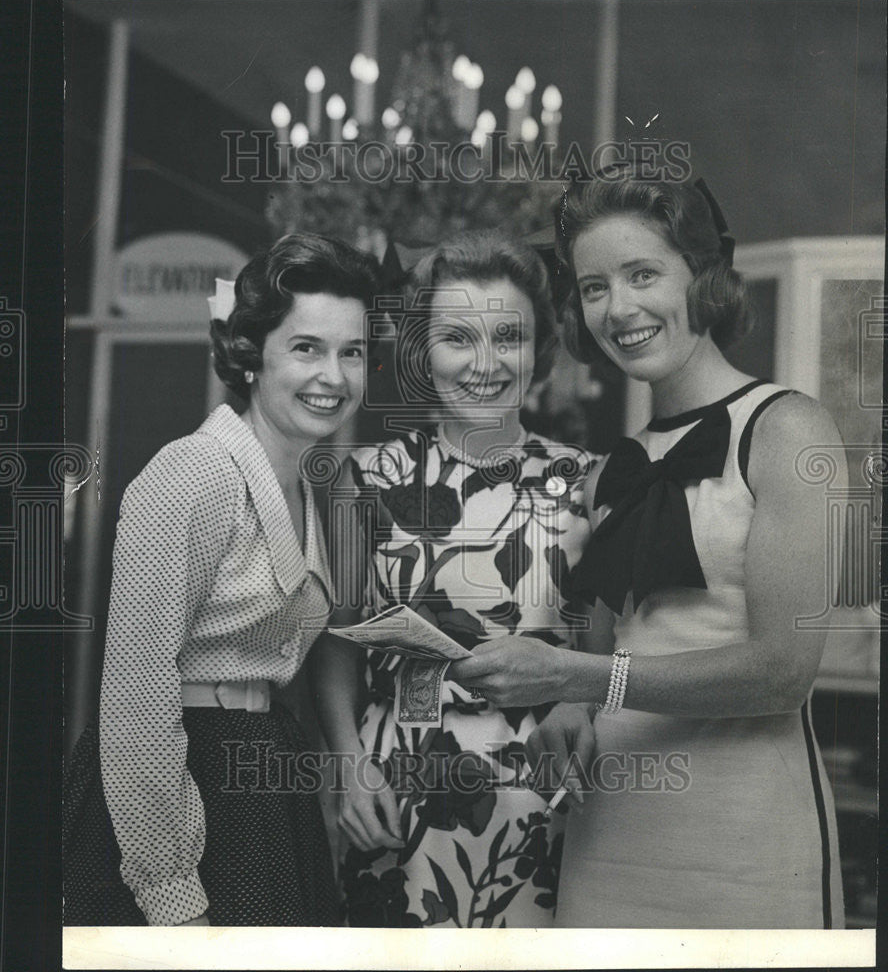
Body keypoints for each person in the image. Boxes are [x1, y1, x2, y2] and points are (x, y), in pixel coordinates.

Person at [450, 166, 846, 928]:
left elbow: (782, 674)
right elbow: (608, 658)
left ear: (701, 276)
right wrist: (570, 706)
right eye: (594, 287)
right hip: (611, 835)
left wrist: (570, 671)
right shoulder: (614, 471)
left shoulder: (787, 429)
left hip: (745, 842)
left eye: (642, 274)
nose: (618, 308)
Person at [63, 232, 380, 926]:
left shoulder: (306, 483)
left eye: (351, 352)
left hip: (262, 785)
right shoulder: (194, 473)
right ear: (250, 356)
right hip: (185, 788)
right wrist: (172, 897)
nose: (334, 375)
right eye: (306, 348)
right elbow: (135, 700)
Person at [314, 231, 597, 928]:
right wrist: (349, 763)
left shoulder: (587, 482)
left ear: (540, 349)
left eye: (509, 337)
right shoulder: (368, 478)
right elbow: (335, 639)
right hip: (394, 784)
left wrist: (578, 701)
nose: (486, 364)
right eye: (458, 338)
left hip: (541, 793)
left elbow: (605, 642)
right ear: (422, 352)